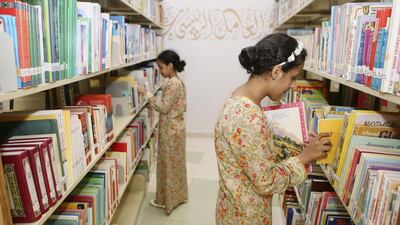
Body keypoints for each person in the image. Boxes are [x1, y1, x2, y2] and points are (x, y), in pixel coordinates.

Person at [214, 33, 332, 225]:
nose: (292, 85)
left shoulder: (240, 100)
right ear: (276, 72)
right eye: (292, 77)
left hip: (234, 208)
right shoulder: (247, 117)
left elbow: (252, 153)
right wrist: (304, 158)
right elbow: (265, 182)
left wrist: (295, 142)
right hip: (246, 216)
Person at [138, 50, 188, 214]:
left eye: (160, 67)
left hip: (171, 131)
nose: (159, 71)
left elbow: (163, 107)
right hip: (176, 129)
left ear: (170, 66)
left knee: (168, 165)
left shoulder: (173, 83)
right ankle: (176, 196)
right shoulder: (177, 82)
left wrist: (146, 94)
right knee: (175, 165)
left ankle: (167, 200)